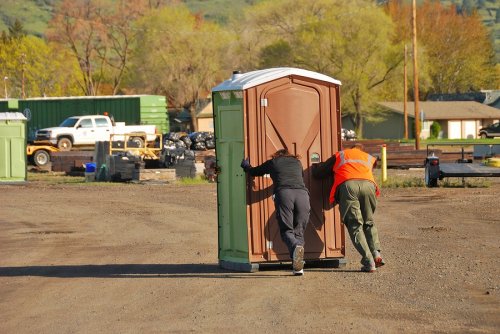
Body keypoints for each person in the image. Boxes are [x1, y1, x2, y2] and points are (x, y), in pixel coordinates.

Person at [312, 143, 385, 273]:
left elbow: (319, 173)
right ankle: (376, 253)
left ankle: (369, 261)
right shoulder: (368, 157)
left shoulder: (341, 155)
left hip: (349, 185)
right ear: (361, 150)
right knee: (368, 222)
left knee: (355, 225)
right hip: (369, 186)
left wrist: (315, 166)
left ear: (350, 148)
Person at [241, 149, 310, 276]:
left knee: (287, 230)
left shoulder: (273, 162)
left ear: (277, 155)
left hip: (285, 194)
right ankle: (298, 267)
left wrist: (246, 166)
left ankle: (296, 248)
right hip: (302, 195)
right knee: (299, 229)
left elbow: (255, 171)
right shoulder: (297, 162)